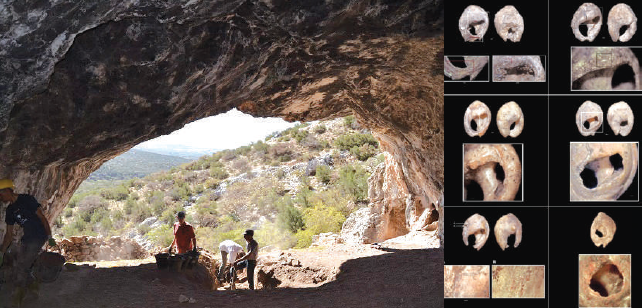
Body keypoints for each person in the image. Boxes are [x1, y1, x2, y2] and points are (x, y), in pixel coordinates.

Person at [0, 179, 56, 297]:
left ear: (7, 191)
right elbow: (9, 234)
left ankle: (18, 294)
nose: (0, 197)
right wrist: (2, 252)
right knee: (22, 263)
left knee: (22, 265)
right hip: (27, 238)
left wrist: (49, 236)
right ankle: (33, 284)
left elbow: (42, 218)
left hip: (39, 236)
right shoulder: (10, 211)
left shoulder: (26, 199)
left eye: (0, 193)